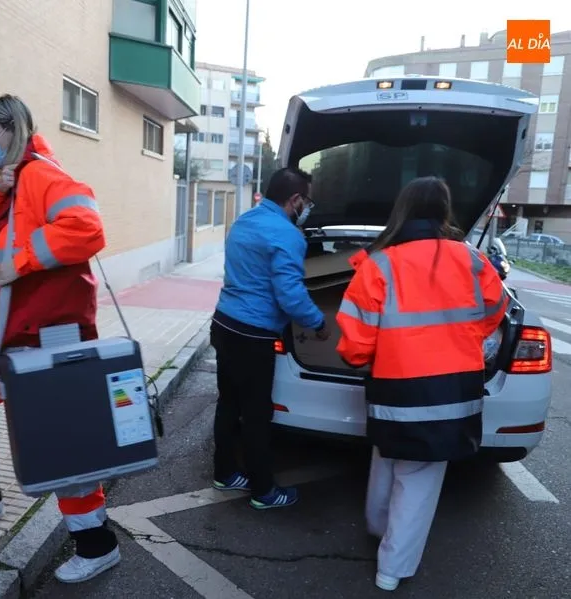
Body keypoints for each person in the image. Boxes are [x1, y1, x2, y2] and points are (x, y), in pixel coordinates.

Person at [0, 94, 119, 584]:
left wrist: (23, 260)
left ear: (11, 129)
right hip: (8, 341)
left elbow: (87, 227)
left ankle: (97, 544)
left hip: (42, 341)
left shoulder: (41, 176)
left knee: (62, 445)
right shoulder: (13, 186)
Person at [335, 176, 509, 592]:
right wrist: (460, 337)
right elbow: (495, 310)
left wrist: (379, 356)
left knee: (387, 456)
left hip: (393, 389)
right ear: (444, 211)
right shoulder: (470, 260)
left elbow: (355, 345)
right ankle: (391, 570)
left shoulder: (378, 265)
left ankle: (378, 528)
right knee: (419, 477)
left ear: (403, 209)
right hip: (450, 391)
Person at [210, 167, 331, 509]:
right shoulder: (287, 235)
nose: (306, 207)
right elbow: (290, 296)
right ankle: (263, 491)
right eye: (305, 201)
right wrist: (319, 323)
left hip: (225, 323)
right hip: (253, 335)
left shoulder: (245, 221)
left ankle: (226, 473)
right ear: (294, 199)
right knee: (258, 414)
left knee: (229, 404)